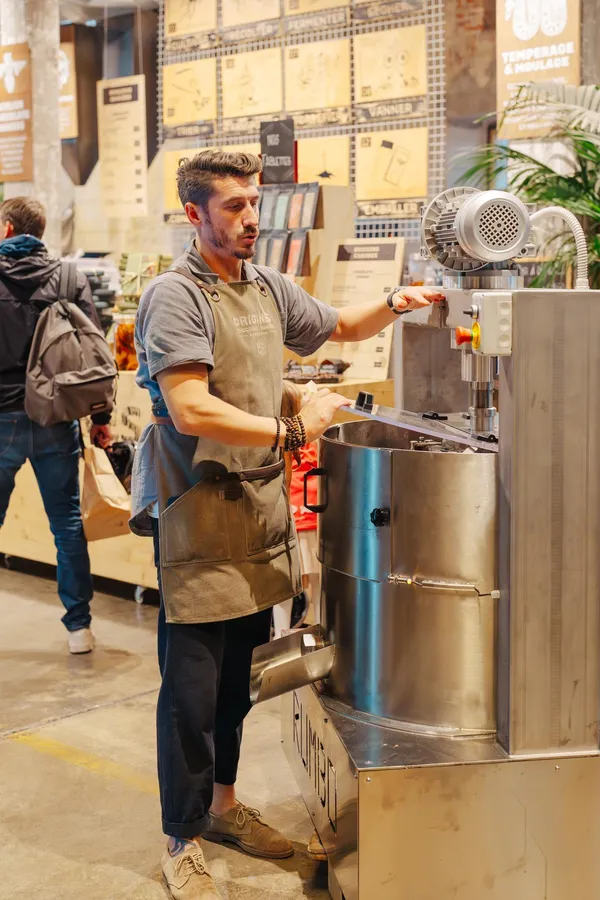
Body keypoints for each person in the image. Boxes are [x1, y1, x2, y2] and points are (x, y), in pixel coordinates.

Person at [131, 149, 443, 900]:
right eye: (232, 206)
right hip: (201, 518)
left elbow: (336, 326)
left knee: (239, 682)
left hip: (258, 516)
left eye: (253, 202)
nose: (250, 218)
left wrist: (400, 301)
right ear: (194, 214)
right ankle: (182, 838)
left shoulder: (266, 285)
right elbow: (191, 408)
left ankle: (226, 809)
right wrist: (294, 431)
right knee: (192, 694)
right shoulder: (176, 296)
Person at [0, 197, 112, 655]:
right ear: (41, 231)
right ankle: (78, 628)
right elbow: (94, 351)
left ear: (8, 227)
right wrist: (101, 419)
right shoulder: (69, 278)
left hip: (1, 417)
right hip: (56, 415)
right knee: (66, 523)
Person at [273, 380, 320, 638]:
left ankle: (281, 635)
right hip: (308, 522)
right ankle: (323, 632)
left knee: (285, 588)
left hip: (291, 522)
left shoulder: (274, 442)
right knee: (317, 584)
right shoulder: (309, 441)